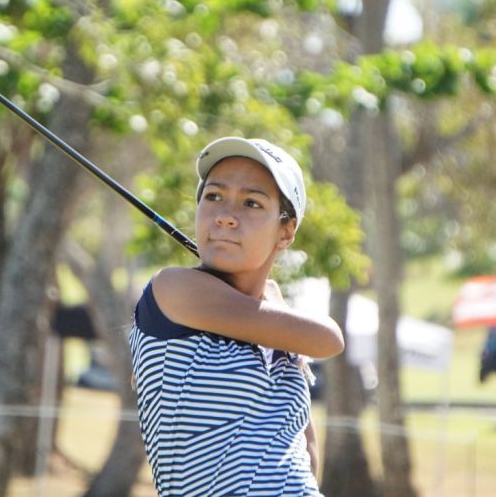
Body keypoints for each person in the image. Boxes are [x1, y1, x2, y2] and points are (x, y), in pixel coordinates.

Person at [128, 136, 345, 496]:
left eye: (251, 203)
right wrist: (273, 298)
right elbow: (329, 339)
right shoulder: (176, 290)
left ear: (286, 230)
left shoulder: (278, 334)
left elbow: (305, 453)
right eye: (213, 197)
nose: (226, 216)